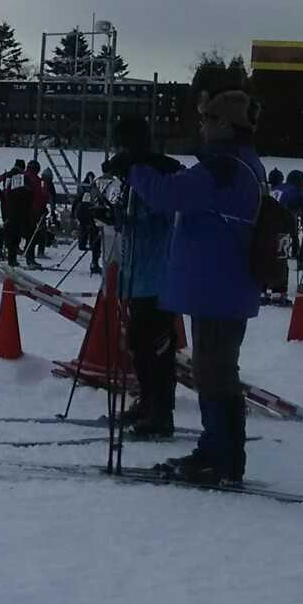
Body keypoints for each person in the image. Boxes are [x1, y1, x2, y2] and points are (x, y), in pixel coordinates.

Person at [126, 89, 265, 484]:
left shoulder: (223, 167)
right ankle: (219, 450)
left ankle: (220, 456)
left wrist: (137, 168)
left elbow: (169, 195)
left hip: (218, 284)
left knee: (215, 372)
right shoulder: (239, 164)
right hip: (224, 283)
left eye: (207, 119)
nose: (201, 126)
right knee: (216, 370)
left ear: (225, 124)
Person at [102, 115, 183, 438]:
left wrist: (130, 216)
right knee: (137, 342)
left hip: (159, 275)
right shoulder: (133, 177)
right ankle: (148, 401)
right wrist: (112, 216)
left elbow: (161, 216)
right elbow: (132, 220)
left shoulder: (156, 174)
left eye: (122, 145)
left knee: (158, 346)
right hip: (137, 274)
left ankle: (161, 412)